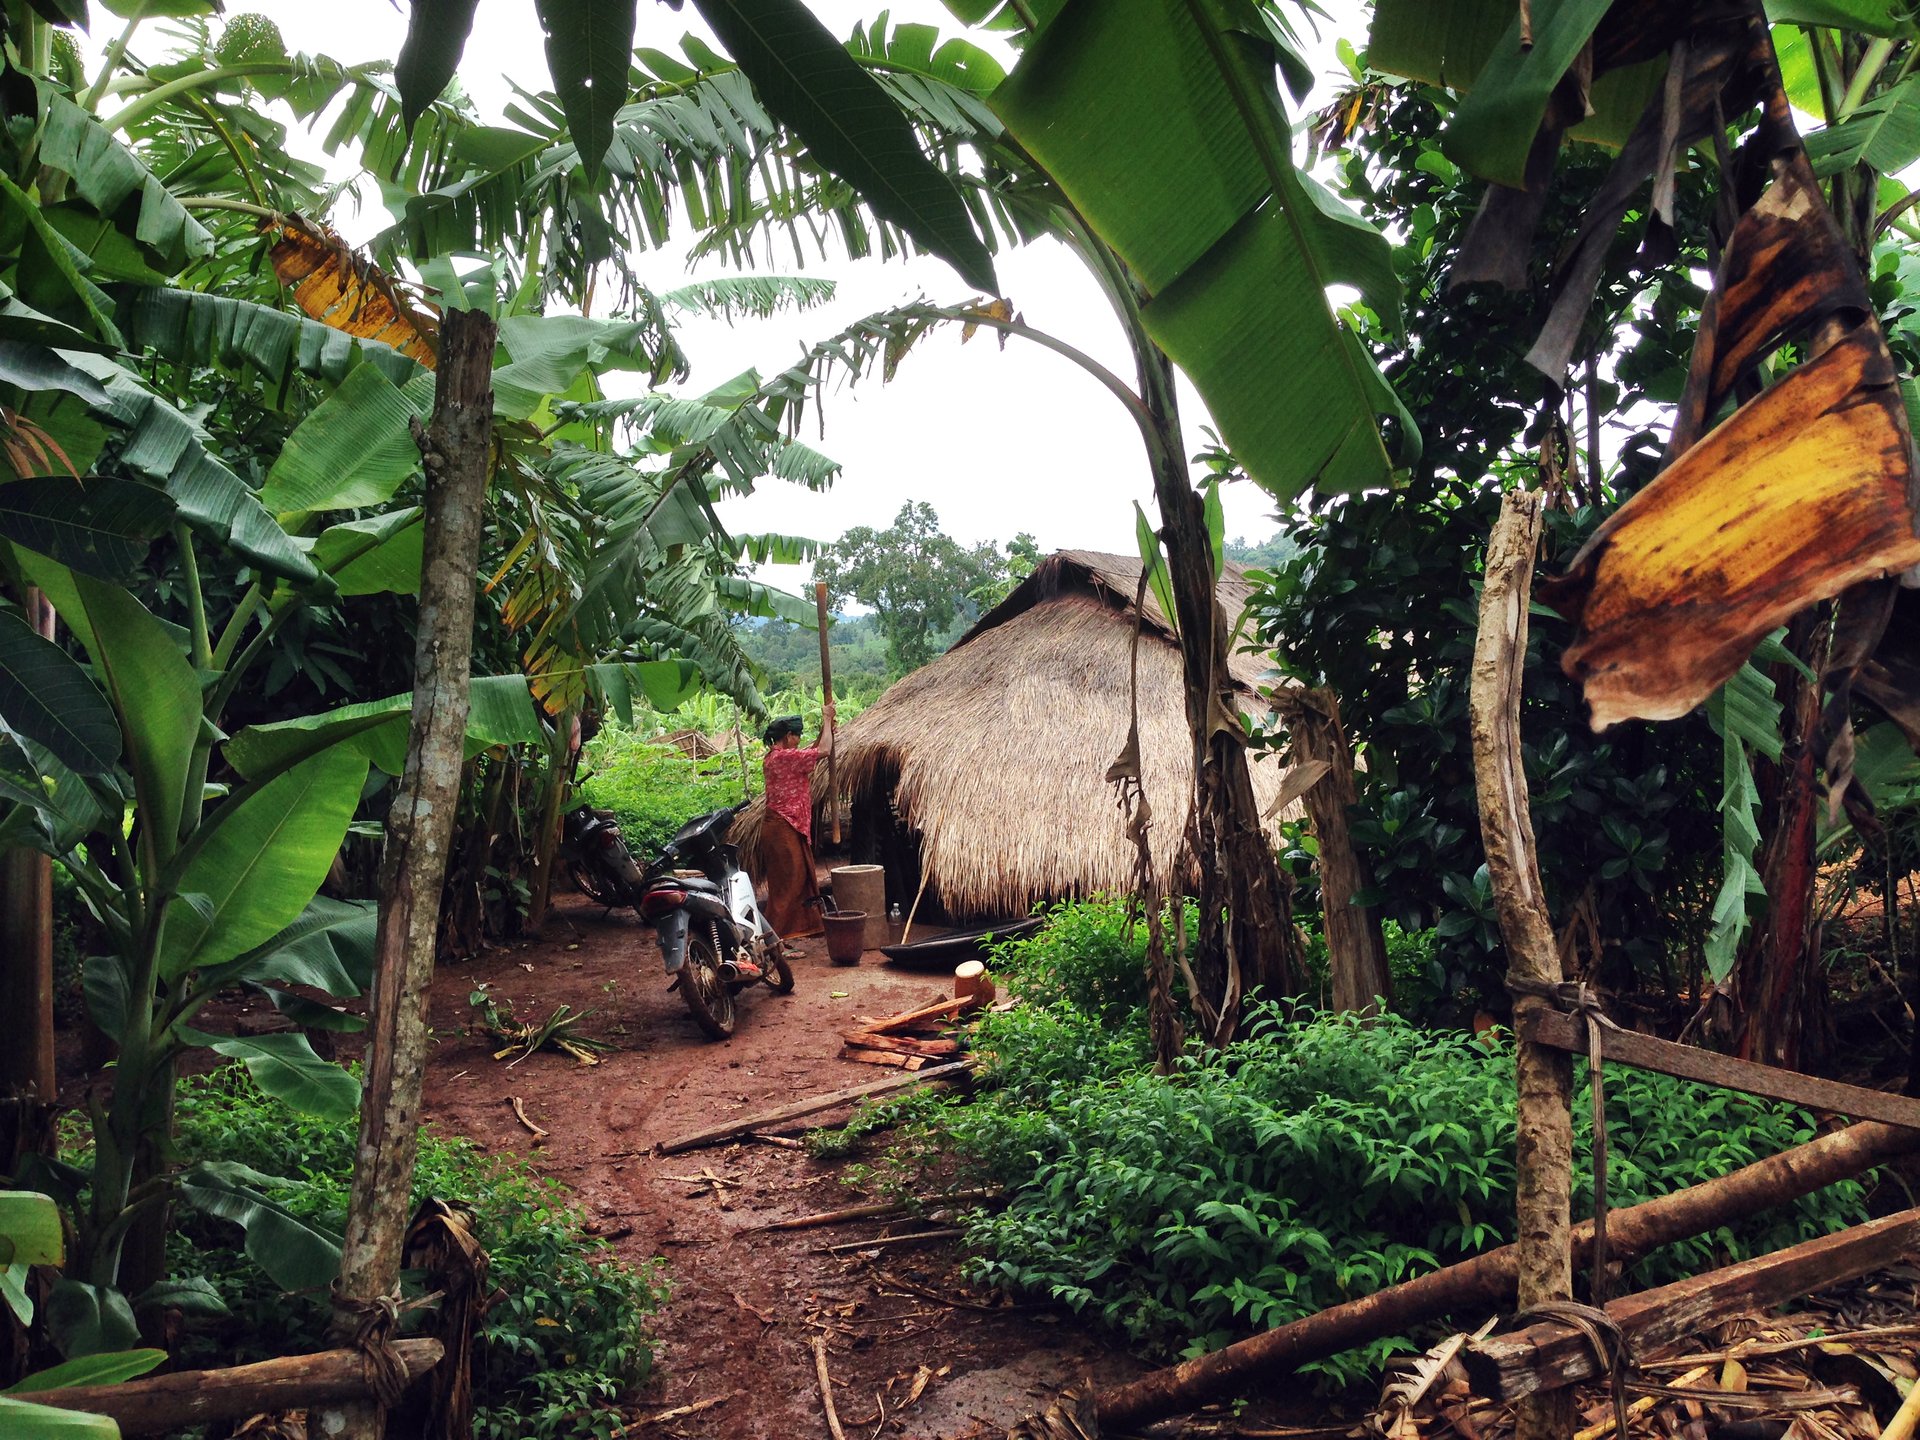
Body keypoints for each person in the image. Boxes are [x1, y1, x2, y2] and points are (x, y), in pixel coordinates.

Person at [760, 708, 833, 937]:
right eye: (797, 735)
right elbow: (823, 751)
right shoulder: (782, 758)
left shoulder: (782, 757)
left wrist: (826, 727)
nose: (799, 740)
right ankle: (774, 937)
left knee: (796, 879)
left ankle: (793, 931)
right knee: (788, 883)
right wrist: (827, 719)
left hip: (787, 825)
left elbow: (813, 750)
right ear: (788, 736)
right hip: (782, 825)